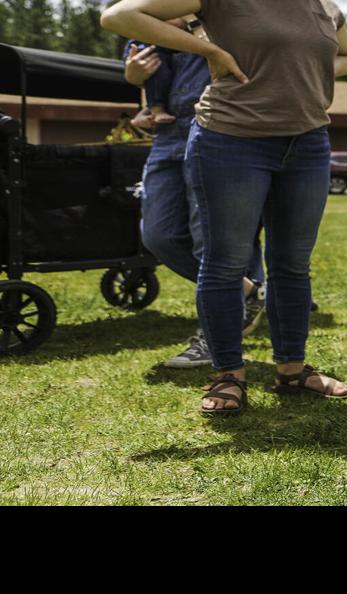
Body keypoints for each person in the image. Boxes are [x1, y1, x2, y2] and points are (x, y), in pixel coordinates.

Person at [101, 0, 347, 416]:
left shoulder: (325, 6)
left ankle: (292, 371)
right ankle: (228, 376)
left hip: (308, 142)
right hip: (231, 138)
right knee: (224, 262)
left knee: (292, 264)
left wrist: (296, 70)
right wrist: (210, 51)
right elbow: (118, 16)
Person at [120, 15, 266, 369]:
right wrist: (134, 75)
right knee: (158, 235)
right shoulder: (154, 14)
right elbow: (150, 70)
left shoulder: (224, 11)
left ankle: (214, 341)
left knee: (211, 241)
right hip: (167, 132)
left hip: (216, 124)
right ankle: (248, 291)